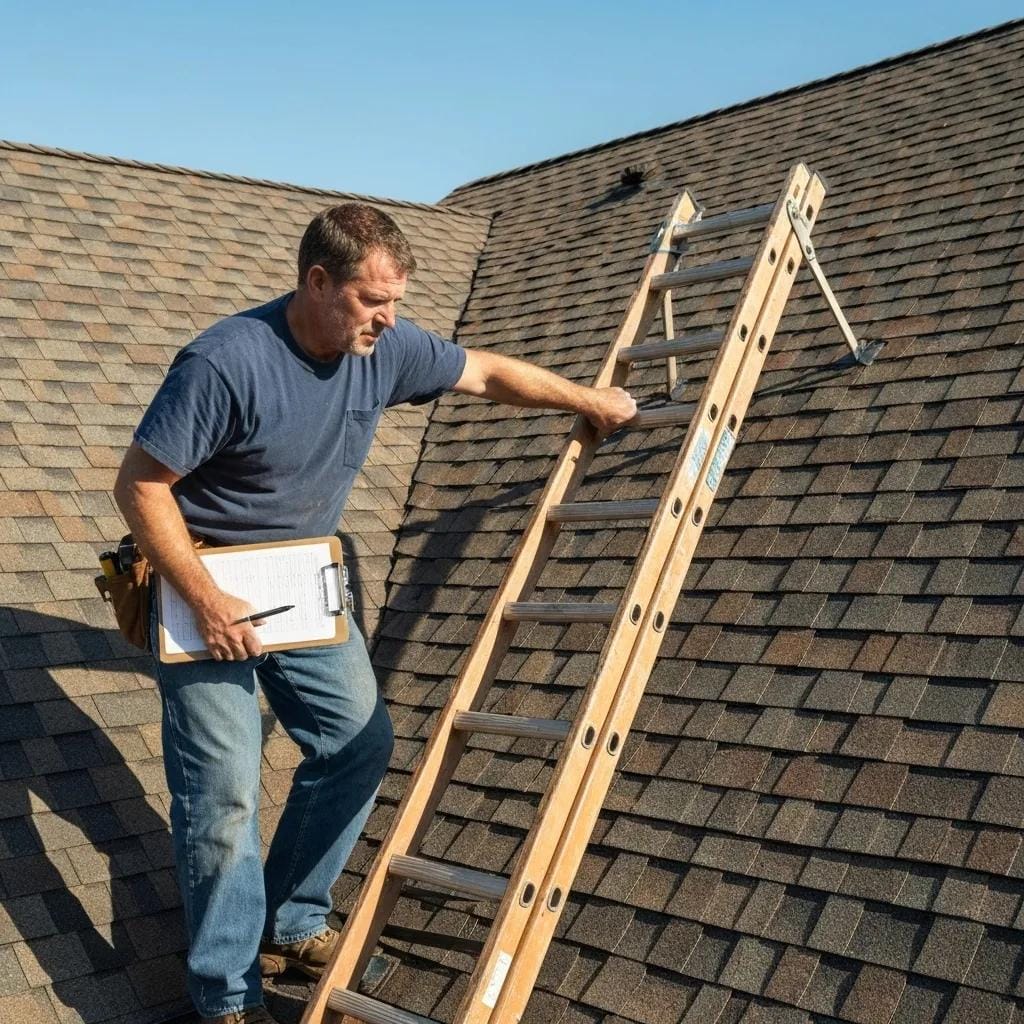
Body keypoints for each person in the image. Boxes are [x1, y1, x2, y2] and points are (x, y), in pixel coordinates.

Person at [113, 203, 637, 1024]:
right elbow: (139, 486)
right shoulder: (225, 363)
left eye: (396, 301)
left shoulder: (383, 349)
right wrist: (206, 601)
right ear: (317, 281)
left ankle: (289, 918)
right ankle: (224, 996)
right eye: (372, 300)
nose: (389, 320)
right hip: (203, 581)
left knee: (359, 743)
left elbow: (487, 374)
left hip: (300, 583)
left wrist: (588, 399)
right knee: (224, 798)